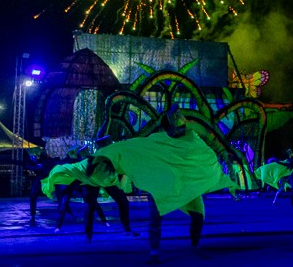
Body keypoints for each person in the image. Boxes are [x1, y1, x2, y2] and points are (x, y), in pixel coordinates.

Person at [92, 112, 236, 264]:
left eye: (182, 127)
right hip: (161, 185)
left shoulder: (191, 137)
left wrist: (223, 158)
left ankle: (195, 246)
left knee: (199, 215)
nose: (180, 130)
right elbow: (133, 147)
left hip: (185, 185)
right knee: (156, 218)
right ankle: (154, 253)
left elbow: (209, 148)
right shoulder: (157, 141)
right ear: (168, 128)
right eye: (177, 128)